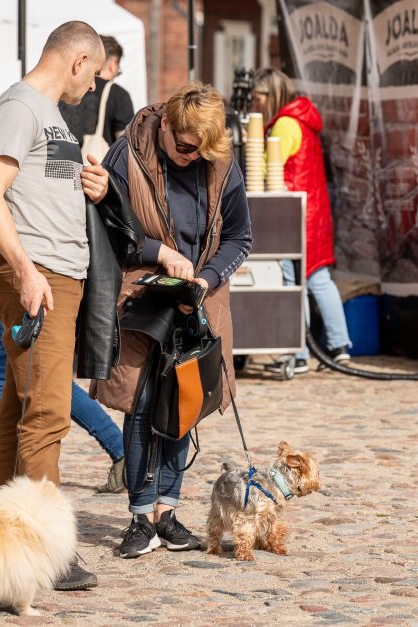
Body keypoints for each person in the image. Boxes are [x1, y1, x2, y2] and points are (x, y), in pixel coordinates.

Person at [0, 21, 108, 590]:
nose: (95, 87)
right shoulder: (20, 107)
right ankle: (46, 548)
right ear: (78, 61)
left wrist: (89, 184)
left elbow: (38, 184)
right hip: (40, 275)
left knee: (17, 402)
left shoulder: (49, 115)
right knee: (49, 411)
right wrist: (26, 270)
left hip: (57, 273)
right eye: (96, 74)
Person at [95, 82, 252, 559]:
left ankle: (168, 512)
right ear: (166, 125)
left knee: (186, 405)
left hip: (198, 299)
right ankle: (140, 518)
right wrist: (157, 252)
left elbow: (240, 237)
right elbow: (104, 226)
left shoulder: (219, 162)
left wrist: (206, 277)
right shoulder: (126, 155)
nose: (192, 157)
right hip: (142, 296)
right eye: (185, 147)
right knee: (142, 405)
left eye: (201, 151)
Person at [0, 103, 126, 492]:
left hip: (34, 278)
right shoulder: (24, 124)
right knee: (27, 392)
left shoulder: (22, 138)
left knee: (38, 398)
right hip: (28, 276)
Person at [252, 67, 352, 374]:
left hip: (295, 213)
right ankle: (338, 346)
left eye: (258, 99)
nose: (255, 105)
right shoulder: (302, 120)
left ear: (271, 95)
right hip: (314, 209)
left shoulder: (284, 125)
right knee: (318, 279)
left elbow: (270, 167)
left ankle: (299, 352)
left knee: (295, 280)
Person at [59, 34, 134, 148]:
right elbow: (125, 145)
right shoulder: (119, 95)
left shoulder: (67, 87)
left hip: (62, 160)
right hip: (97, 164)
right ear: (113, 65)